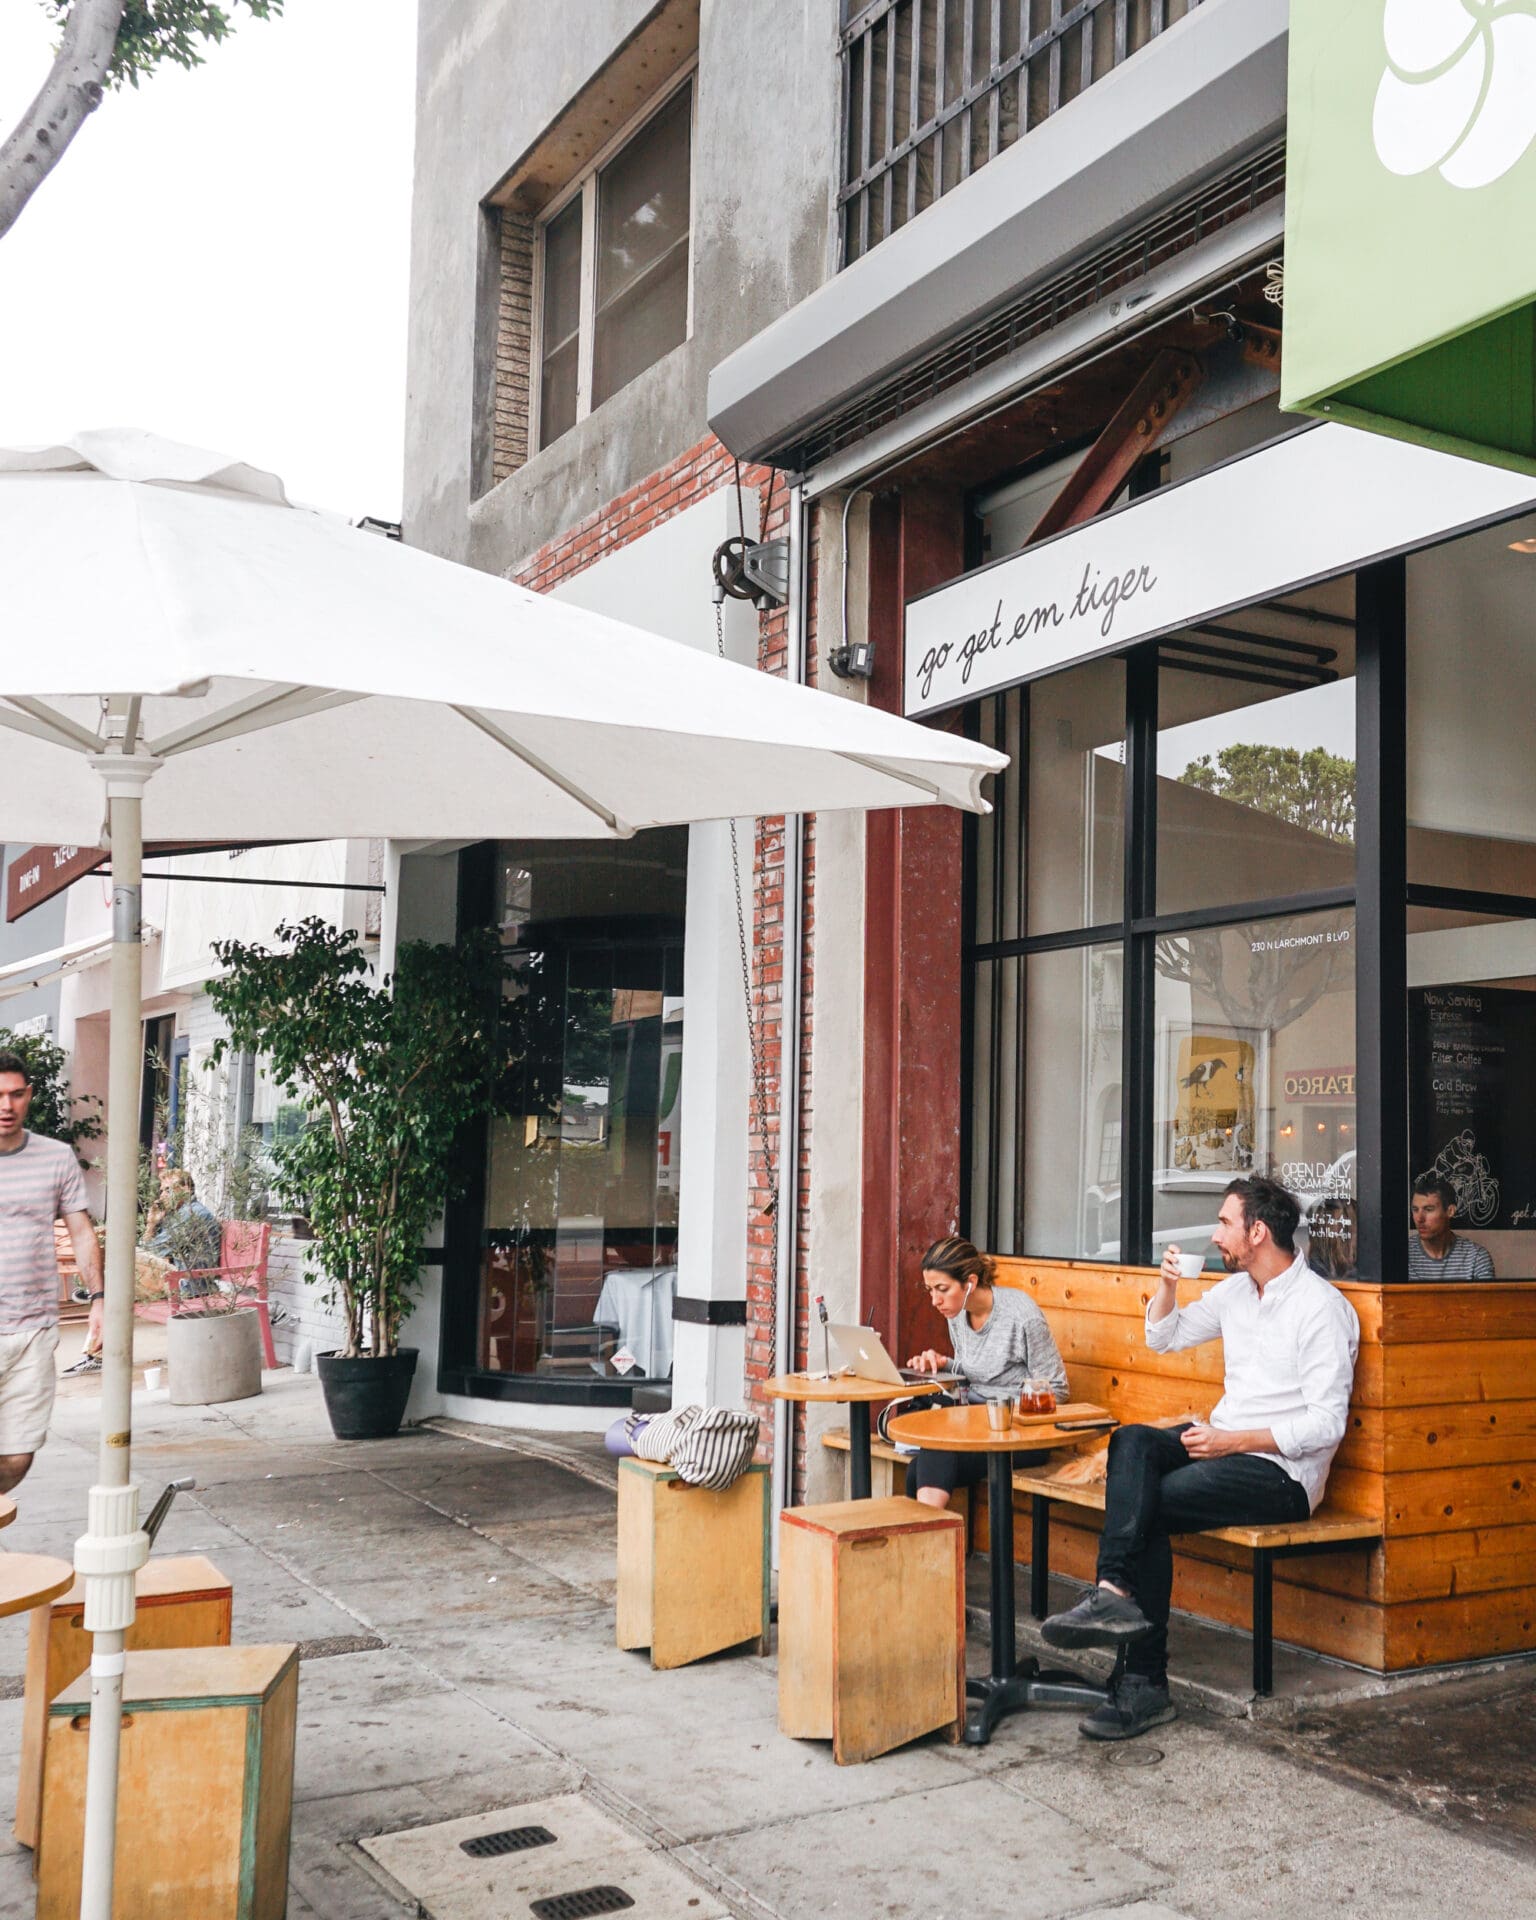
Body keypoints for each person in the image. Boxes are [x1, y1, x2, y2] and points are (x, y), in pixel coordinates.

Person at [1040, 1174, 1359, 1742]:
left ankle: (1142, 1683)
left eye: (1224, 1223)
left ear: (1257, 1232)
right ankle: (1112, 1593)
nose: (1215, 1235)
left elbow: (1325, 1424)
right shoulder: (1236, 1293)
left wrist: (1230, 1441)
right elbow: (1164, 1337)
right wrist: (1167, 1287)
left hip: (1281, 1474)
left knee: (1151, 1504)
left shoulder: (1321, 1309)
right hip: (1222, 1444)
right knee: (1131, 1441)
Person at [903, 1234, 1069, 1511]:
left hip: (1023, 1435)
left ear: (970, 1282)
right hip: (976, 1424)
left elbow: (1058, 1389)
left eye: (942, 1289)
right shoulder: (956, 1314)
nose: (935, 1300)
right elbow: (982, 1372)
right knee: (916, 1470)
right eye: (929, 1290)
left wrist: (1004, 1409)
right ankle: (930, 1545)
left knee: (936, 1450)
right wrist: (944, 1363)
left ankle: (929, 1547)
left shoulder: (1021, 1316)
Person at [0, 1051, 103, 1487]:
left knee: (18, 1455)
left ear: (30, 1096)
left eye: (16, 1094)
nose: (6, 1106)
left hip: (32, 1329)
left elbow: (81, 1231)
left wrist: (98, 1298)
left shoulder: (56, 1158)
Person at [1409, 1174, 1494, 1281]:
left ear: (1450, 1211)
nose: (1419, 1218)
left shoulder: (1476, 1257)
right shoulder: (1404, 1256)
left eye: (1428, 1209)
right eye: (1415, 1210)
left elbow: (1487, 1298)